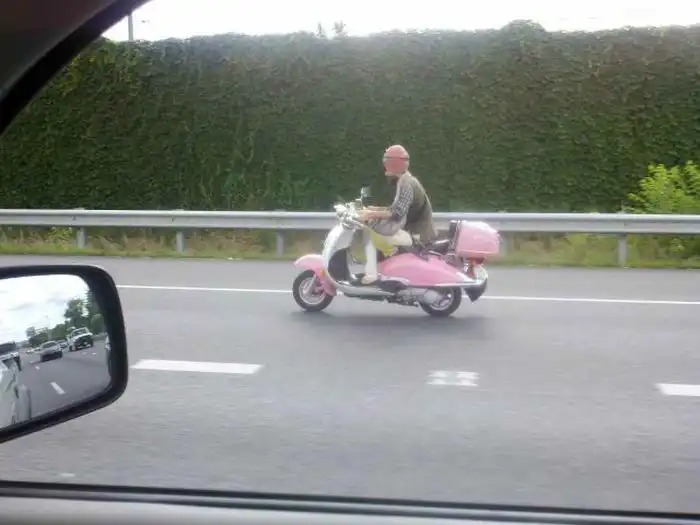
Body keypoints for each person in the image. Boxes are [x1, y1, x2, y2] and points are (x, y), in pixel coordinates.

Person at [356, 144, 437, 285]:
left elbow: (398, 213)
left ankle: (372, 275)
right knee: (373, 234)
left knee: (371, 236)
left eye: (387, 162)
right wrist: (373, 210)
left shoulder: (406, 183)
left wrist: (370, 214)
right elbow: (396, 208)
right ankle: (379, 271)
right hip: (413, 233)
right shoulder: (405, 180)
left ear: (393, 163)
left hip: (417, 236)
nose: (385, 166)